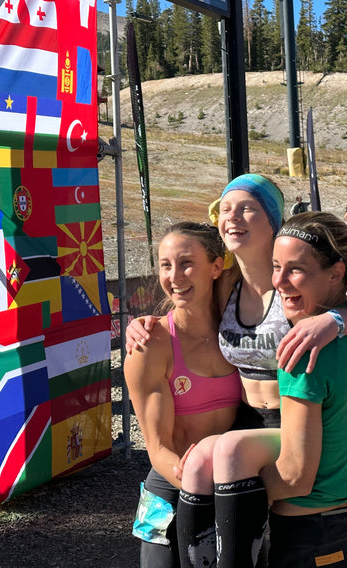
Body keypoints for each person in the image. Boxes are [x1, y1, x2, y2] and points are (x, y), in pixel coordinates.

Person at [125, 174, 347, 568]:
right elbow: (186, 304)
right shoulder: (227, 285)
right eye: (225, 208)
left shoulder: (299, 287)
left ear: (273, 220)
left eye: (247, 207)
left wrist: (334, 320)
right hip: (226, 439)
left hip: (288, 421)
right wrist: (146, 322)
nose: (233, 217)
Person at [207, 211, 347, 567]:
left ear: (336, 272)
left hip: (307, 538)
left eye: (295, 269)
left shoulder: (304, 348)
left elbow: (294, 477)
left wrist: (230, 499)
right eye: (276, 266)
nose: (279, 281)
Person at [126, 222, 242, 567]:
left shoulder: (242, 332)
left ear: (217, 266)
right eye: (165, 265)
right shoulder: (150, 344)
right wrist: (199, 484)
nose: (174, 276)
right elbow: (158, 448)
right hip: (171, 489)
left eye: (186, 263)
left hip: (231, 488)